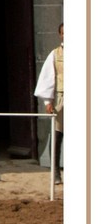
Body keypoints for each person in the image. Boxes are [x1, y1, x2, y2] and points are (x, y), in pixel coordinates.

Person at [34, 23, 64, 184]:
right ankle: (56, 172)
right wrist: (48, 101)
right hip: (62, 98)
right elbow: (47, 77)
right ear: (60, 35)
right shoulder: (55, 54)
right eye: (64, 33)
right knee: (58, 134)